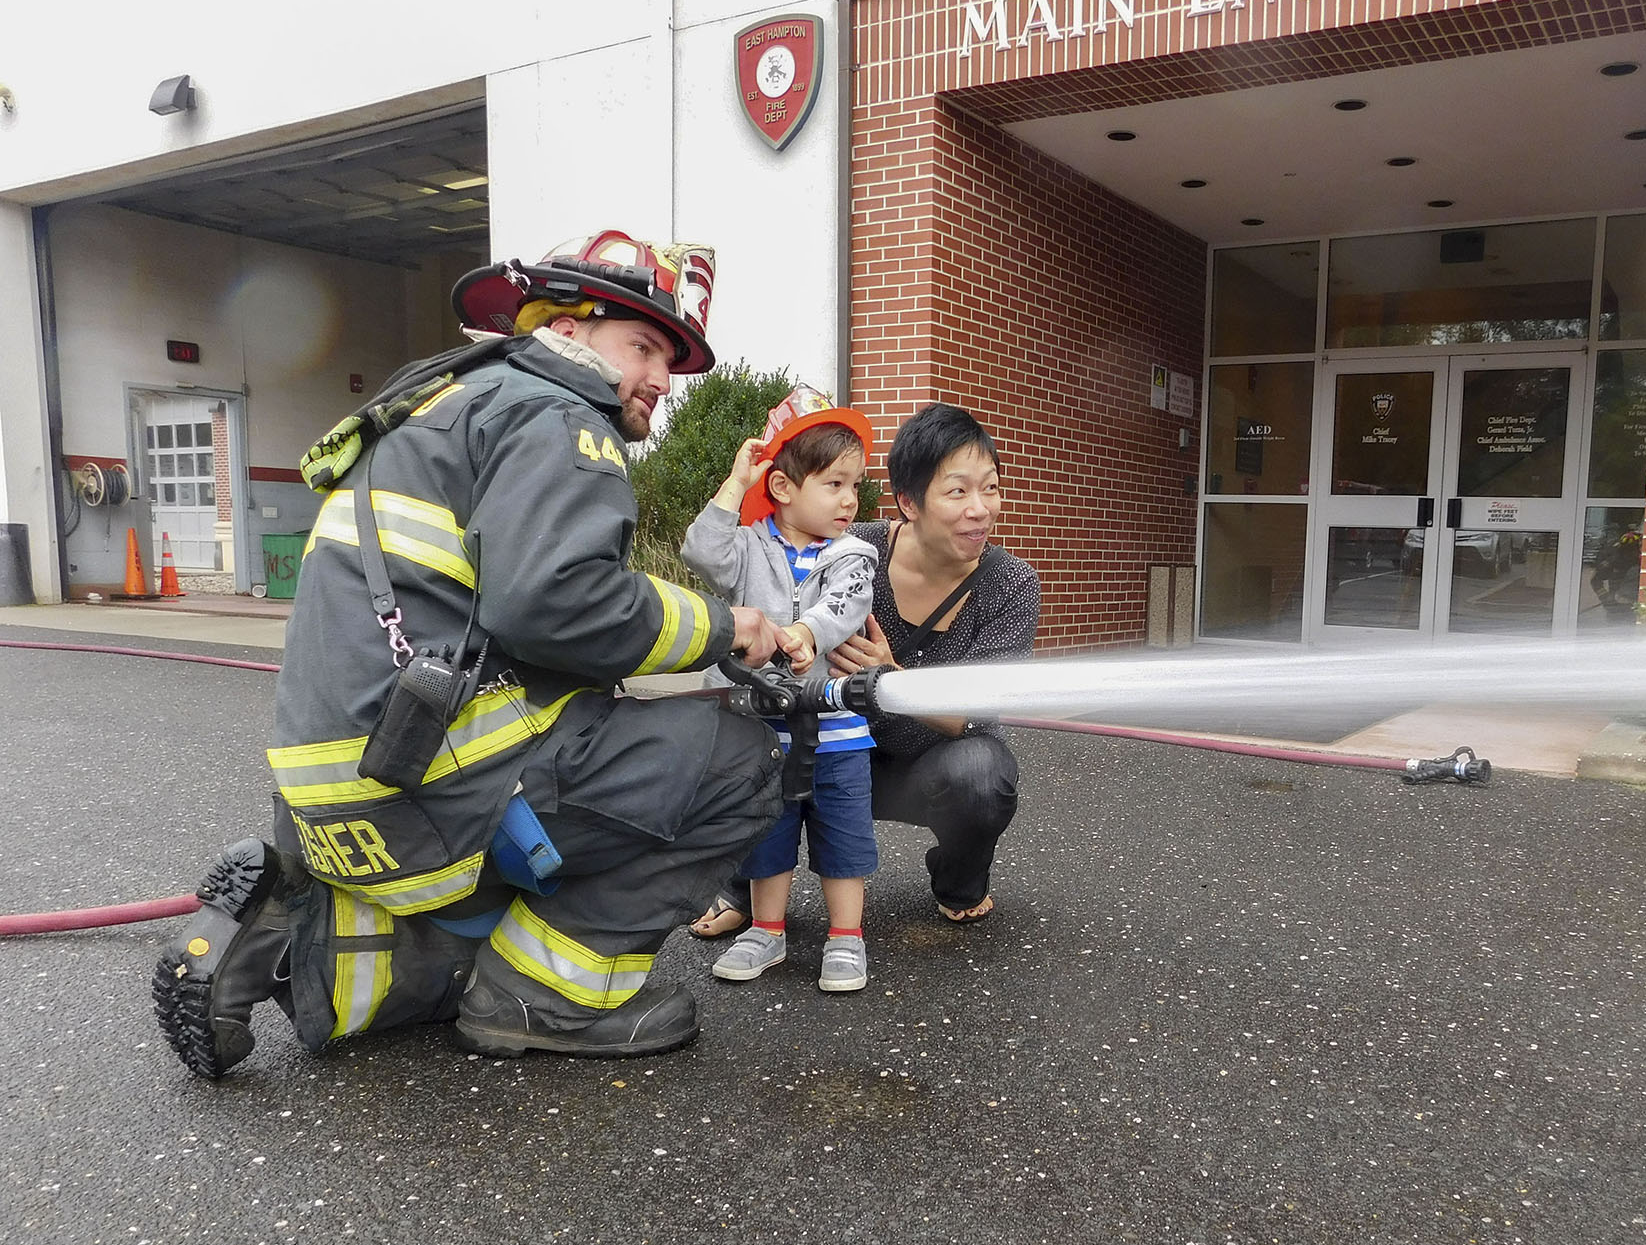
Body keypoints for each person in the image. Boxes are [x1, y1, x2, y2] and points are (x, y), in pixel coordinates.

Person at [152, 231, 788, 1078]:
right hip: (436, 792)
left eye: (668, 360)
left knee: (492, 901)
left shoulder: (440, 409)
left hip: (329, 809)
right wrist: (725, 626)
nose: (660, 381)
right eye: (643, 346)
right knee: (741, 759)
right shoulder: (559, 415)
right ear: (567, 329)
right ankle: (541, 1001)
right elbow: (554, 603)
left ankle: (287, 937)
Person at [689, 402, 1038, 933]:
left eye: (990, 488)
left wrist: (893, 680)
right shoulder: (852, 548)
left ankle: (958, 881)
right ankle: (742, 887)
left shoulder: (1011, 584)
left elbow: (981, 716)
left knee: (983, 774)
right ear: (909, 503)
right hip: (824, 741)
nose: (981, 508)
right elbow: (754, 569)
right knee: (752, 756)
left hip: (926, 764)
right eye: (958, 491)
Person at [680, 403, 880, 991]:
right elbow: (701, 553)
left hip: (839, 731)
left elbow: (848, 605)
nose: (851, 501)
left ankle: (846, 937)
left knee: (844, 835)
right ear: (784, 488)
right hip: (760, 732)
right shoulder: (745, 547)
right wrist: (733, 486)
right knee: (767, 831)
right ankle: (767, 929)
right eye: (835, 484)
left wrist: (806, 633)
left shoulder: (852, 555)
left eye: (856, 486)